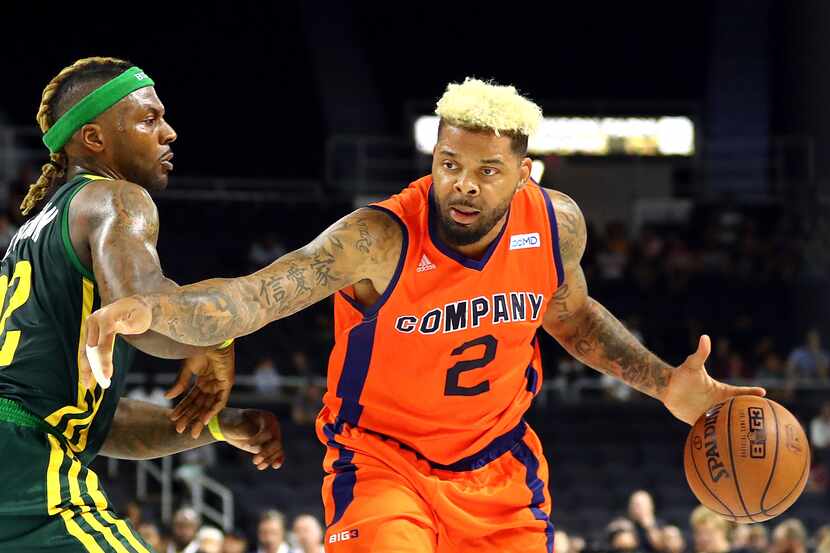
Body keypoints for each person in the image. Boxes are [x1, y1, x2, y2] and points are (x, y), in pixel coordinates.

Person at [85, 78, 765, 552]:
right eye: (449, 163)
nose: (464, 183)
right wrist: (152, 305)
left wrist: (665, 383)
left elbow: (575, 317)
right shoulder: (377, 239)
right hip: (384, 464)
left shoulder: (556, 227)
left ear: (525, 172)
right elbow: (249, 298)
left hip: (501, 469)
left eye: (488, 170)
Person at [0, 57, 284, 552]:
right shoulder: (115, 198)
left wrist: (218, 424)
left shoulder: (32, 233)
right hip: (28, 467)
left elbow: (94, 424)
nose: (169, 132)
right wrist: (215, 335)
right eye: (148, 119)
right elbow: (142, 316)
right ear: (94, 139)